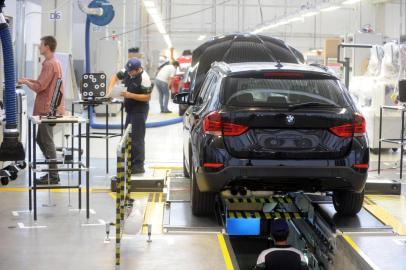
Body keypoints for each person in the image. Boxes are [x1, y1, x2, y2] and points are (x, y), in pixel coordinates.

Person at [18, 36, 64, 185]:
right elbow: (41, 82)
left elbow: (40, 87)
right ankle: (53, 169)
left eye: (41, 44)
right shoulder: (53, 63)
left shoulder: (50, 64)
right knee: (40, 139)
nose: (39, 46)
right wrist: (28, 80)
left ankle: (54, 175)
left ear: (47, 46)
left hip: (48, 109)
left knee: (46, 140)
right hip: (49, 107)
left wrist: (26, 82)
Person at [107, 58, 152, 174]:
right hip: (130, 109)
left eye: (131, 71)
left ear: (137, 70)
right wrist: (110, 91)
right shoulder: (127, 70)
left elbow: (147, 97)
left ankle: (138, 166)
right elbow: (114, 77)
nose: (128, 73)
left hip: (140, 110)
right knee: (128, 136)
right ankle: (130, 162)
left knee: (137, 138)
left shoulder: (145, 78)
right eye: (128, 70)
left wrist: (129, 95)